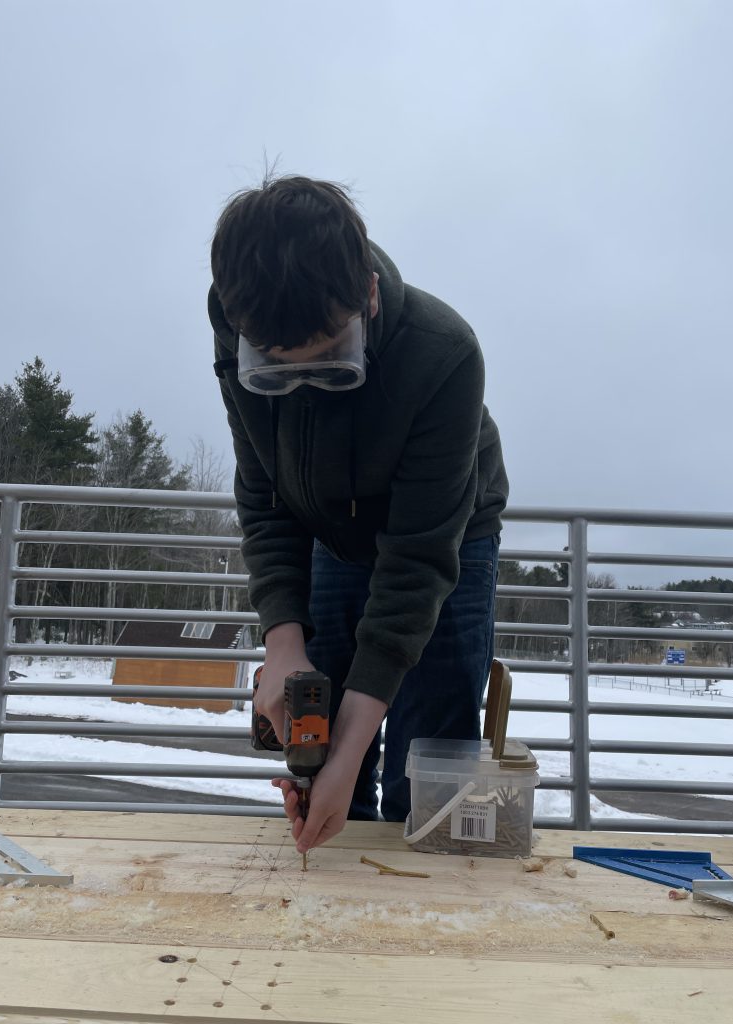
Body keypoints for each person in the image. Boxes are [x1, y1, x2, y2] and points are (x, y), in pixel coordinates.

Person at [209, 174, 508, 856]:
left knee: (431, 763)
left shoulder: (445, 353)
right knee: (319, 725)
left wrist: (358, 735)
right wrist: (283, 641)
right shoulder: (238, 315)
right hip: (330, 533)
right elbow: (263, 490)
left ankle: (429, 916)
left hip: (445, 539)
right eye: (280, 373)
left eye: (331, 363)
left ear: (368, 295)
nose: (308, 387)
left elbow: (417, 562)